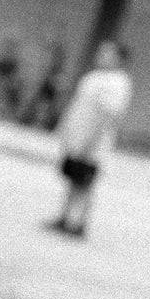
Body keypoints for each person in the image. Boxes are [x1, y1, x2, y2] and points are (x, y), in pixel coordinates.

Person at [47, 39, 133, 239]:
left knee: (85, 183)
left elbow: (109, 114)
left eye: (107, 53)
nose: (101, 56)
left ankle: (80, 223)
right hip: (77, 137)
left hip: (93, 142)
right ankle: (64, 216)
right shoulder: (93, 77)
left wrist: (90, 141)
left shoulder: (118, 83)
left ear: (119, 58)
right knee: (71, 179)